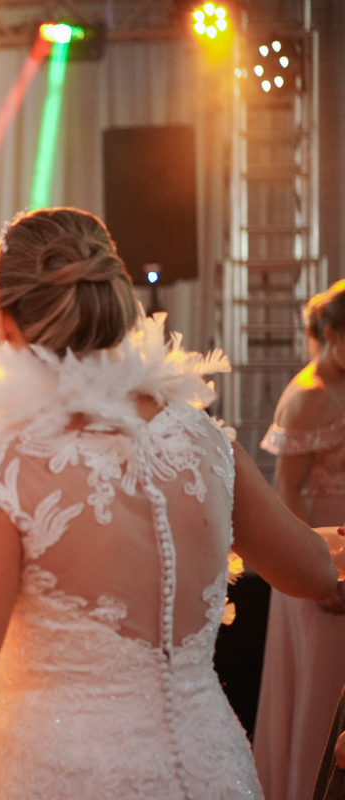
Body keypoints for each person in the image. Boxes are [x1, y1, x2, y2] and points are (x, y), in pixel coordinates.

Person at [0, 207, 344, 800]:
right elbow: (312, 571)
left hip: (61, 776)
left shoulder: (3, 467)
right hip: (214, 772)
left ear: (1, 321)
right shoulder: (202, 439)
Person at [254, 280, 345, 800]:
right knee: (324, 688)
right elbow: (286, 489)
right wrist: (321, 573)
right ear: (330, 334)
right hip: (319, 559)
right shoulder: (308, 395)